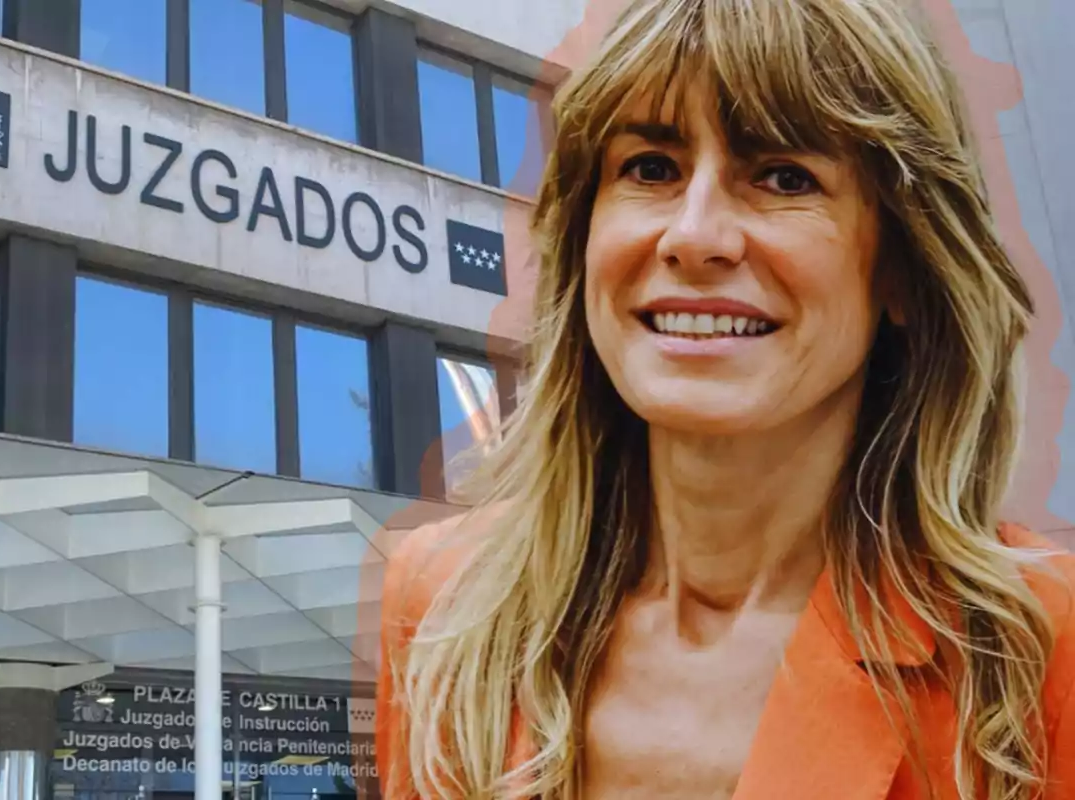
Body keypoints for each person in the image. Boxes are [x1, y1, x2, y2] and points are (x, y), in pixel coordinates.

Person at [375, 0, 1075, 797]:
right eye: (650, 167)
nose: (694, 235)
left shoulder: (1038, 646)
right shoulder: (443, 600)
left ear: (904, 270)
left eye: (784, 177)